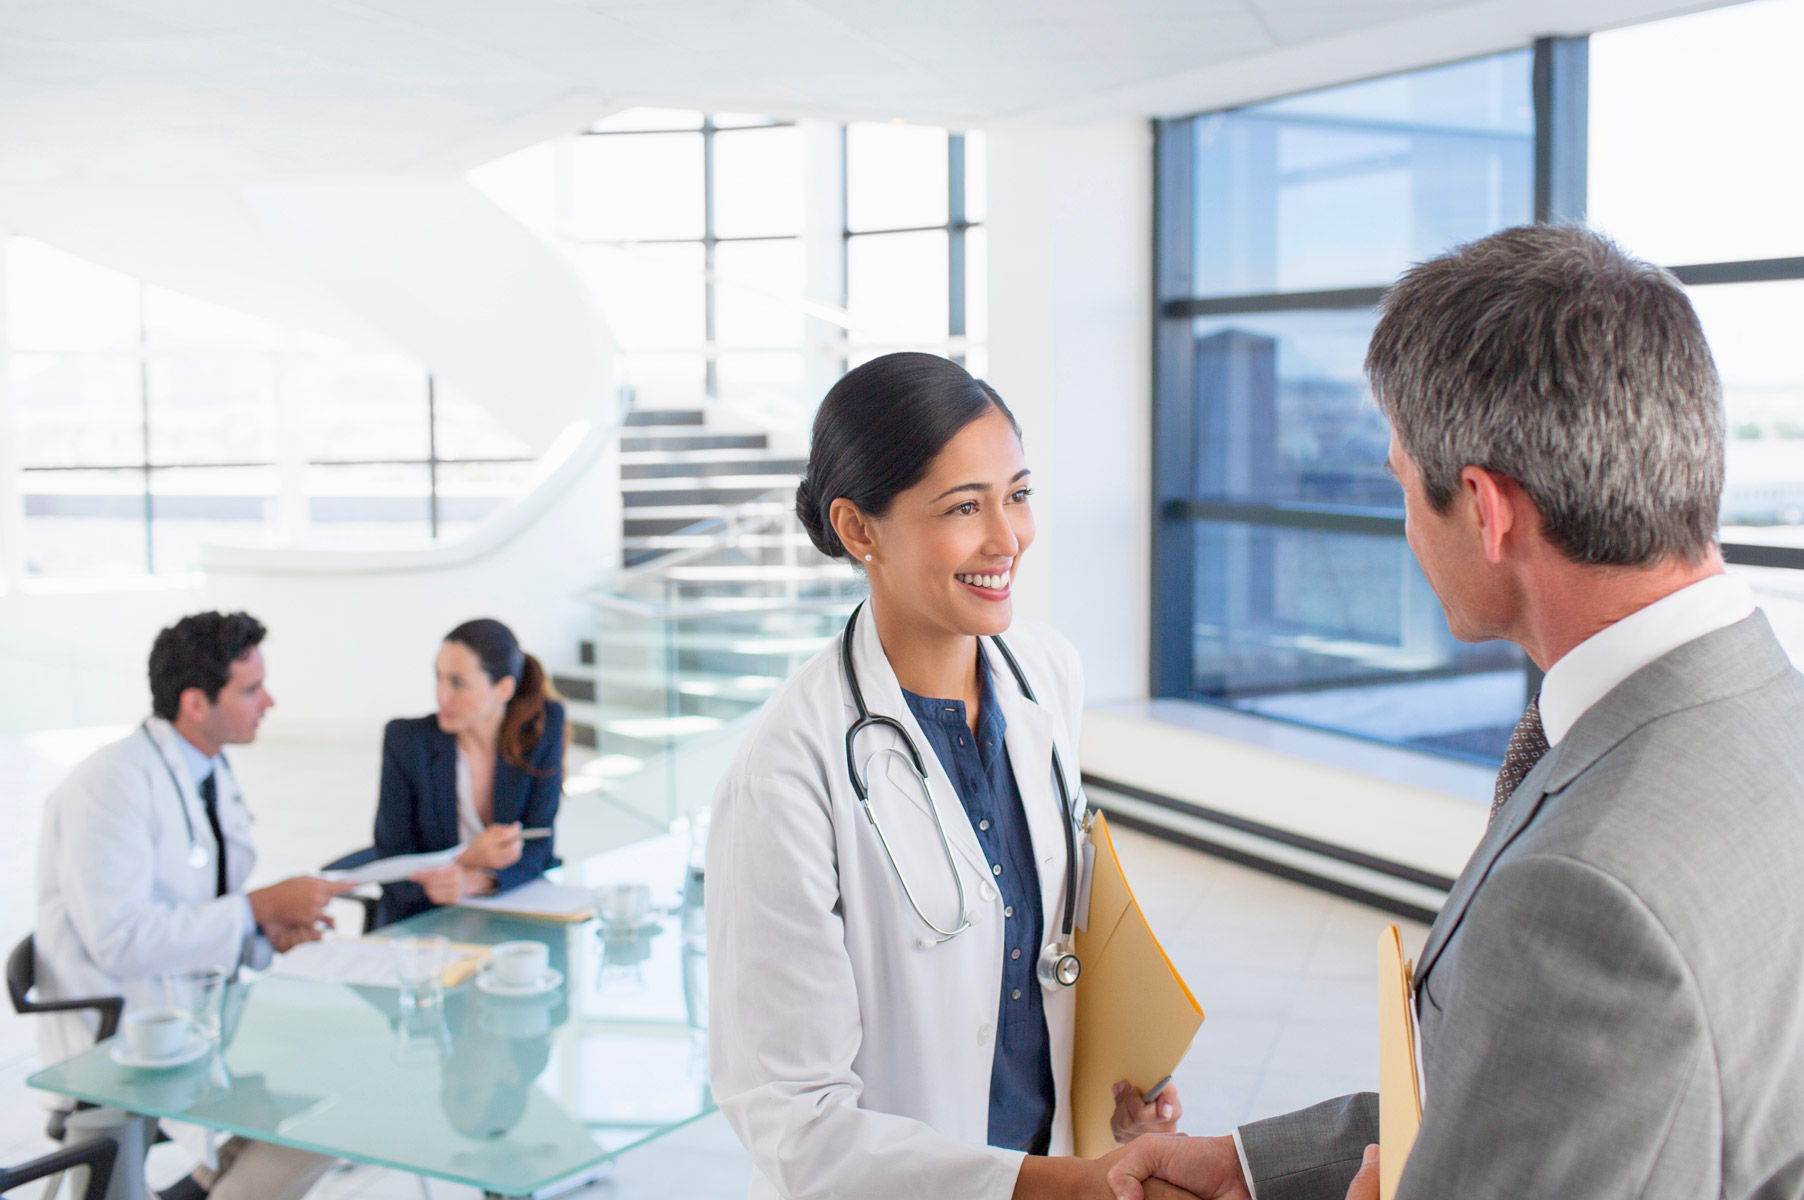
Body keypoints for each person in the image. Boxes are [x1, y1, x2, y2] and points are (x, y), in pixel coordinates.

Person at [1108, 226, 1804, 1200]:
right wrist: (1250, 1171)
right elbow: (1544, 1090)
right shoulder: (1765, 710)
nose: (1403, 527)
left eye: (1401, 483)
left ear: (1485, 509)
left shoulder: (1585, 896)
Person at [707, 353, 1189, 1200]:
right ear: (859, 530)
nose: (1006, 538)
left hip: (1053, 1162)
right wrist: (1057, 1185)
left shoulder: (1047, 674)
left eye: (1018, 494)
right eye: (965, 507)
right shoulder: (786, 774)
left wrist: (1113, 1100)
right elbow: (796, 1126)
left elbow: (1040, 950)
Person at [35, 611, 348, 1200]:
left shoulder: (206, 770)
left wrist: (264, 931)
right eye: (251, 689)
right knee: (332, 1111)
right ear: (195, 703)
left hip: (191, 1012)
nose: (269, 701)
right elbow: (120, 939)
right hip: (120, 1037)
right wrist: (254, 909)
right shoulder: (113, 784)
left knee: (343, 1071)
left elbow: (200, 904)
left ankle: (213, 1179)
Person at [372, 618, 565, 927]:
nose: (441, 696)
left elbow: (540, 846)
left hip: (511, 912)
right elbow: (392, 863)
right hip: (425, 922)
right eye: (438, 678)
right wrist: (463, 861)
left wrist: (478, 881)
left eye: (458, 683)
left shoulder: (543, 729)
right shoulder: (407, 743)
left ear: (503, 689)